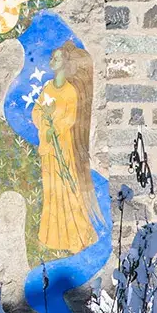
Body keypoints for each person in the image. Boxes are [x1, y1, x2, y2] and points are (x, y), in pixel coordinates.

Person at [31, 42, 99, 254]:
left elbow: (71, 118)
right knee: (51, 190)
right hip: (49, 148)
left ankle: (77, 237)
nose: (52, 61)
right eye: (52, 58)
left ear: (65, 63)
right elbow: (37, 111)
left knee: (68, 188)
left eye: (57, 58)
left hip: (64, 146)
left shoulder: (70, 91)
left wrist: (55, 127)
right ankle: (52, 237)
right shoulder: (48, 88)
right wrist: (45, 125)